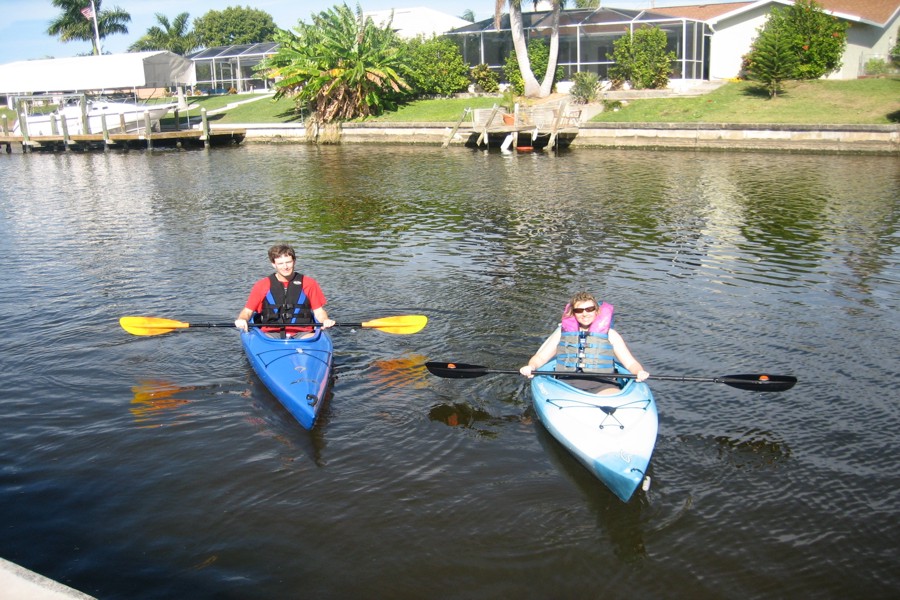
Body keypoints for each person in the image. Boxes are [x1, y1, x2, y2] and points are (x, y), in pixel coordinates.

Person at [519, 291, 649, 395]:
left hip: (603, 384)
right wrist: (531, 366)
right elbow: (541, 357)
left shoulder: (611, 335)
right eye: (579, 311)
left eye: (589, 309)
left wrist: (639, 371)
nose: (585, 314)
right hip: (566, 383)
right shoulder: (561, 333)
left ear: (596, 311)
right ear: (573, 313)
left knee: (614, 402)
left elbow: (630, 362)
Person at [234, 243, 335, 338]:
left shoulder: (309, 283)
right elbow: (247, 311)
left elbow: (319, 311)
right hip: (270, 334)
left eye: (288, 262)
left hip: (303, 333)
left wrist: (325, 320)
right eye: (280, 263)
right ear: (274, 264)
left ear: (294, 261)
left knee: (311, 338)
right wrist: (242, 319)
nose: (285, 267)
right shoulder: (262, 285)